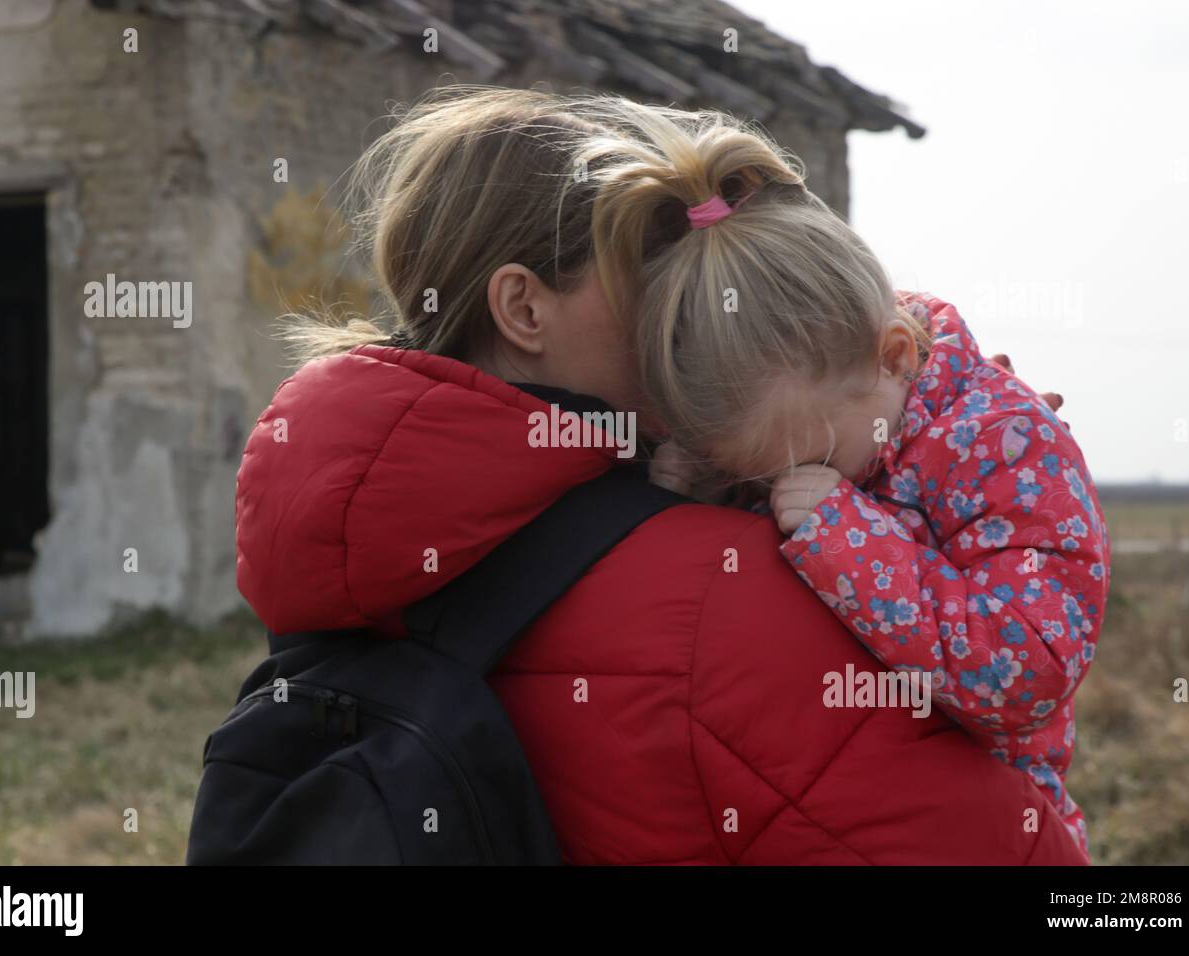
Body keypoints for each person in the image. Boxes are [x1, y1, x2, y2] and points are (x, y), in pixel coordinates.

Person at [234, 87, 1089, 864]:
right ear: (524, 308)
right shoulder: (719, 594)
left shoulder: (351, 553)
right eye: (650, 278)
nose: (695, 321)